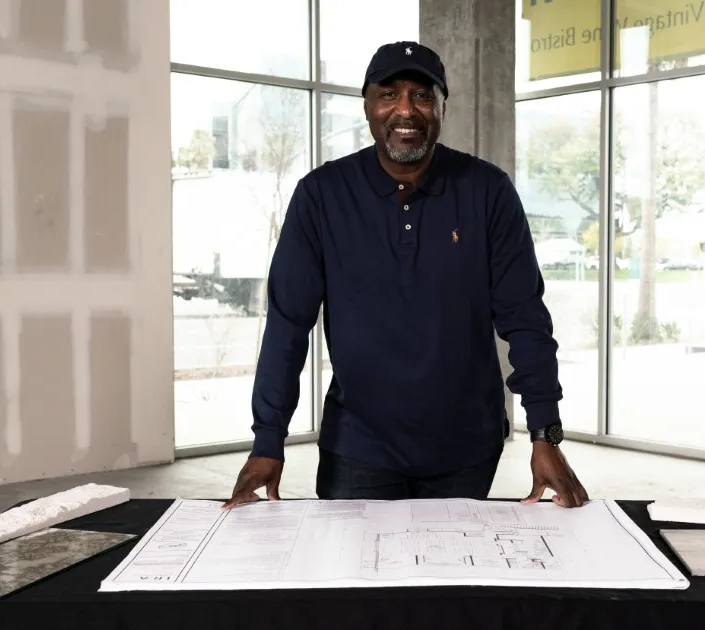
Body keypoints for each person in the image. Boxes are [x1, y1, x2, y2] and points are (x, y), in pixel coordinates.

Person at [224, 41, 587, 509]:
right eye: (388, 94)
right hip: (357, 447)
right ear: (367, 106)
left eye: (421, 95)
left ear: (442, 107)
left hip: (467, 448)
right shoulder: (321, 195)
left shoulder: (488, 191)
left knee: (453, 559)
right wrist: (267, 440)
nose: (405, 110)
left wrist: (544, 433)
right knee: (353, 561)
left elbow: (526, 318)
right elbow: (288, 324)